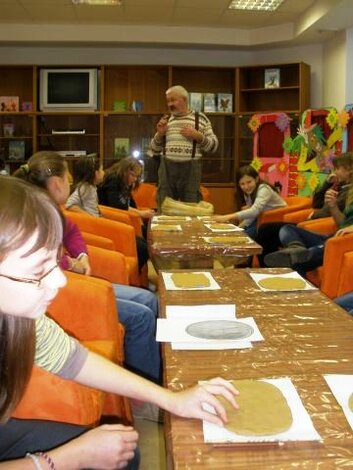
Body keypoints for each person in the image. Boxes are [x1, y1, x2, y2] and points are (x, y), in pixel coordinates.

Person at [0, 176, 239, 467]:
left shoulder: (23, 319)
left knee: (125, 455)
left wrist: (171, 399)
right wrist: (66, 458)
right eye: (39, 270)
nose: (60, 280)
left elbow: (73, 360)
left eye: (55, 262)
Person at [15, 152, 161, 386]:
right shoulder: (34, 214)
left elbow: (71, 232)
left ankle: (153, 372)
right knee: (141, 316)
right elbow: (37, 262)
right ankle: (147, 390)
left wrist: (82, 256)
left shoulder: (49, 208)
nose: (71, 181)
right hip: (62, 289)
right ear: (56, 183)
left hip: (72, 279)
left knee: (149, 300)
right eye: (67, 177)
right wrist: (70, 264)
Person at [256, 152, 353, 266]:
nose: (335, 172)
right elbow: (316, 203)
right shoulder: (342, 188)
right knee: (284, 229)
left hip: (317, 225)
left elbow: (329, 214)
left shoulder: (346, 192)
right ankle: (295, 248)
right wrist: (327, 183)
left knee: (269, 231)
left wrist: (316, 215)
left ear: (349, 171)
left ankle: (284, 261)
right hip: (320, 228)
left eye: (338, 169)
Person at [65, 155, 148, 272]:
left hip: (100, 223)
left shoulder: (91, 187)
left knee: (142, 243)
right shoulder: (85, 188)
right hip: (98, 227)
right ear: (95, 173)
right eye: (101, 170)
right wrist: (90, 218)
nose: (104, 172)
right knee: (142, 247)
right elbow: (70, 204)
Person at [150, 85, 218, 210]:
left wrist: (198, 136)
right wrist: (160, 134)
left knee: (191, 208)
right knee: (164, 207)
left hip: (190, 170)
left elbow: (213, 146)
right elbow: (153, 150)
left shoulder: (200, 118)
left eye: (173, 100)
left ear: (185, 100)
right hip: (167, 169)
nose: (170, 104)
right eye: (168, 101)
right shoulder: (166, 119)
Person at [264, 184, 353, 274]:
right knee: (287, 228)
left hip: (342, 243)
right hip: (333, 237)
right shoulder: (349, 192)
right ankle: (296, 247)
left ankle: (295, 261)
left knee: (300, 259)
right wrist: (333, 206)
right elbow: (343, 224)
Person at [213, 165, 286, 239]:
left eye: (249, 182)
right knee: (237, 235)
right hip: (260, 220)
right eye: (242, 184)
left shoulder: (264, 189)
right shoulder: (248, 193)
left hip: (277, 221)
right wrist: (239, 228)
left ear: (256, 179)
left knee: (243, 238)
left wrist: (227, 217)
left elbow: (254, 211)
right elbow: (251, 216)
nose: (246, 186)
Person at [98, 156, 155, 239]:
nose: (135, 179)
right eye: (133, 175)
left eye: (137, 176)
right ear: (125, 171)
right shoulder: (113, 180)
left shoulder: (125, 181)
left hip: (123, 220)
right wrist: (140, 214)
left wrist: (140, 219)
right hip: (112, 221)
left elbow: (130, 202)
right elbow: (117, 205)